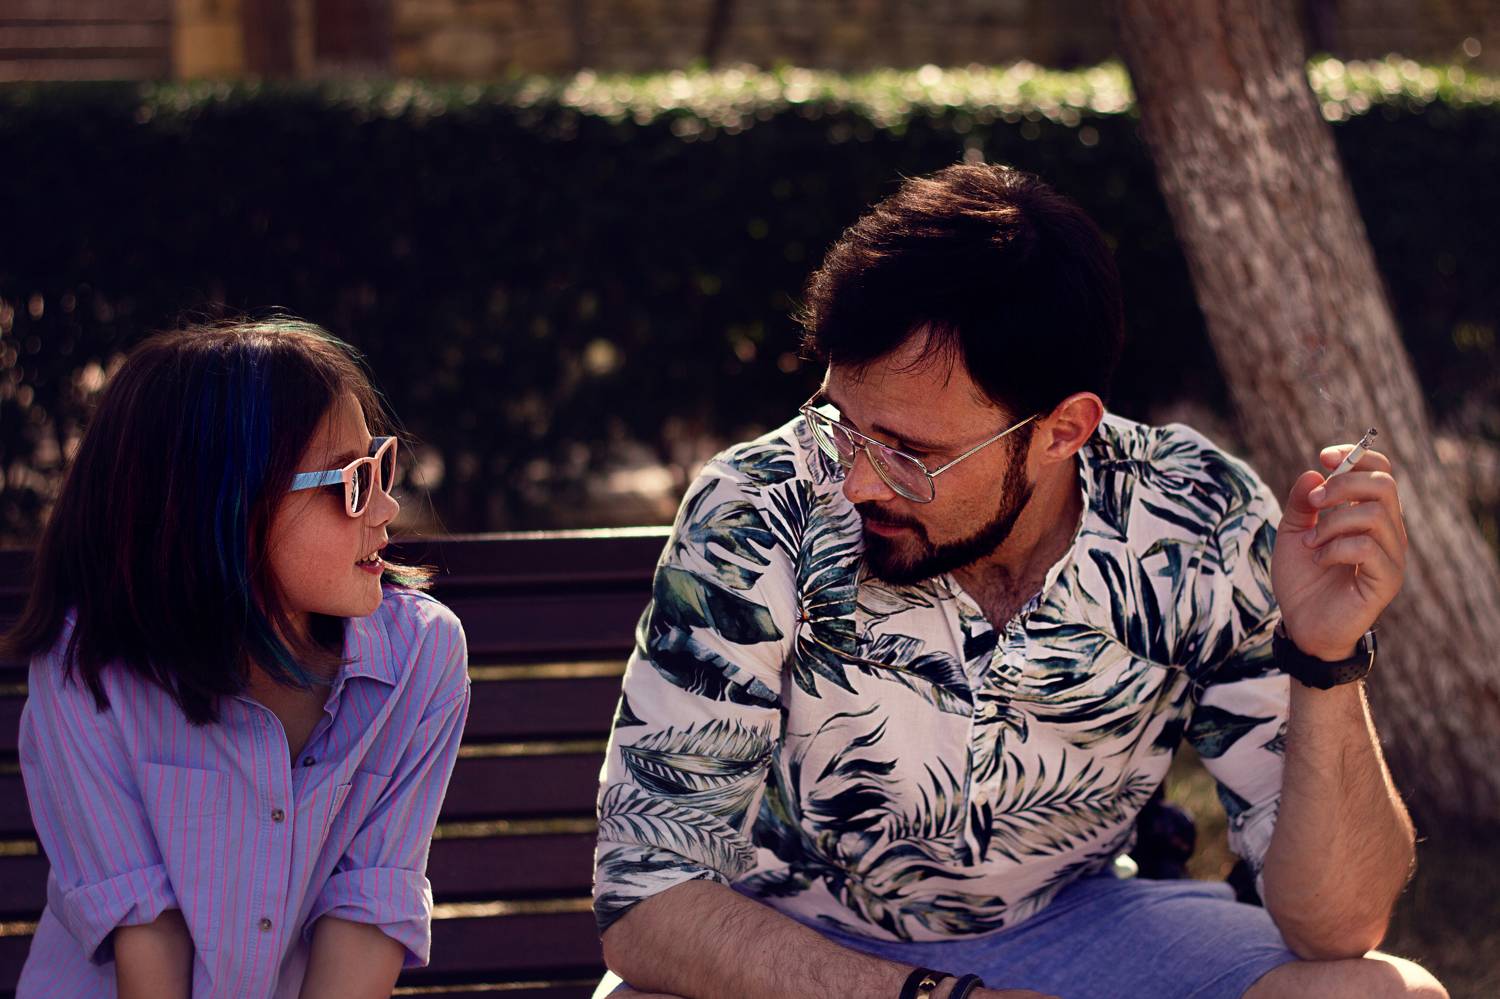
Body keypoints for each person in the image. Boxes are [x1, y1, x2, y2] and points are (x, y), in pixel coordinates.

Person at [591, 165, 1446, 998]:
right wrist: (933, 996)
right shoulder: (758, 509)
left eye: (910, 453)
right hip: (787, 944)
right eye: (840, 423)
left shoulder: (1195, 516)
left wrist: (1325, 658)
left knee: (1386, 993)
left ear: (1063, 430)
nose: (855, 481)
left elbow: (1337, 926)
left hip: (1074, 925)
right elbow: (648, 899)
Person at [2, 319, 471, 998]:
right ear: (222, 505)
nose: (386, 507)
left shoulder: (419, 656)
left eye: (381, 464)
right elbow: (150, 939)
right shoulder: (89, 666)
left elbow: (366, 914)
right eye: (352, 481)